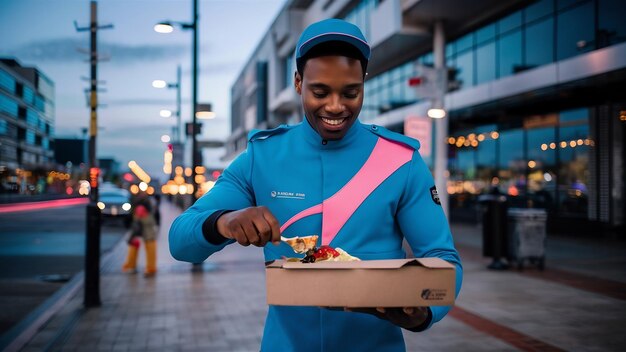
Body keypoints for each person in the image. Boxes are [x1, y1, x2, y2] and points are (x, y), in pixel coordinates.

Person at [169, 18, 462, 351]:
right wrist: (224, 222)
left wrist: (423, 313)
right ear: (298, 83)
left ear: (364, 83)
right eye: (320, 91)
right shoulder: (261, 157)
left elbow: (443, 259)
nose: (336, 106)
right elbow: (180, 240)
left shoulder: (401, 161)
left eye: (351, 92)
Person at [122, 203, 158, 276]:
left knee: (150, 250)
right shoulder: (143, 214)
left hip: (146, 235)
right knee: (135, 249)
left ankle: (148, 268)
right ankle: (131, 267)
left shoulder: (144, 215)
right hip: (139, 235)